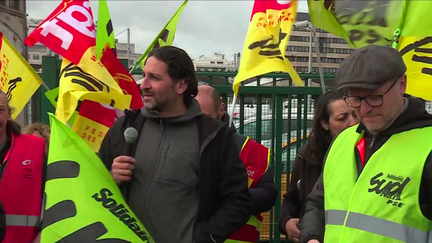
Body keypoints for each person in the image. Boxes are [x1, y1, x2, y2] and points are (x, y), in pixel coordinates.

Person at [98, 46, 252, 243]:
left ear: (181, 86)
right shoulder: (124, 127)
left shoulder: (213, 136)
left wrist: (202, 238)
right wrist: (111, 177)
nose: (143, 84)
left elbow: (238, 201)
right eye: (143, 75)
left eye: (154, 78)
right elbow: (93, 187)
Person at [300, 45, 432, 243]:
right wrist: (312, 236)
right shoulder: (343, 140)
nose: (364, 109)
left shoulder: (427, 147)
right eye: (355, 99)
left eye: (373, 97)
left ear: (402, 84)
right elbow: (317, 202)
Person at [195, 85, 278, 243]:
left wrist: (229, 195)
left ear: (221, 109)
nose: (201, 126)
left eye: (206, 118)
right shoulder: (177, 146)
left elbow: (268, 196)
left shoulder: (251, 150)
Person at [279, 90, 358, 242]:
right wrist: (286, 221)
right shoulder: (307, 156)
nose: (352, 123)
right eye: (342, 118)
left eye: (355, 115)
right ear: (325, 124)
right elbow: (293, 198)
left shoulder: (367, 152)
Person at [0, 90, 46, 243]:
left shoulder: (36, 148)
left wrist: (43, 235)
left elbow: (56, 196)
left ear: (9, 114)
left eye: (0, 110)